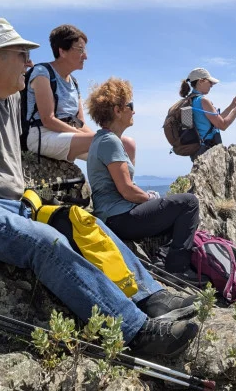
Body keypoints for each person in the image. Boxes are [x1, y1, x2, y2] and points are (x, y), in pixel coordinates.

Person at [0, 18, 198, 358]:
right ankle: (136, 332)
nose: (29, 62)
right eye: (22, 54)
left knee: (84, 222)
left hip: (11, 204)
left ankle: (151, 297)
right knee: (46, 242)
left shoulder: (9, 96)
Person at [85, 78, 202, 285]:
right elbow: (127, 190)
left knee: (174, 213)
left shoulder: (102, 139)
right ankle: (177, 269)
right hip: (119, 218)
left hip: (113, 216)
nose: (134, 111)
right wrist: (150, 197)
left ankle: (162, 258)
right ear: (117, 110)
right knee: (189, 203)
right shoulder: (110, 141)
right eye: (130, 106)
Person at [24, 24, 136, 162]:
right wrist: (94, 138)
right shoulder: (42, 73)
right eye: (80, 50)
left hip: (69, 136)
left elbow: (80, 123)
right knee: (109, 142)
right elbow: (48, 119)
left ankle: (124, 177)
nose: (85, 56)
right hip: (42, 135)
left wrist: (99, 136)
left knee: (127, 145)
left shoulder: (74, 82)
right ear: (62, 51)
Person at [178, 67, 236, 161]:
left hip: (197, 150)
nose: (212, 85)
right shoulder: (203, 100)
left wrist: (233, 105)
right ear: (200, 81)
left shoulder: (189, 100)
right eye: (210, 82)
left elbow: (216, 121)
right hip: (208, 150)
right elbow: (222, 125)